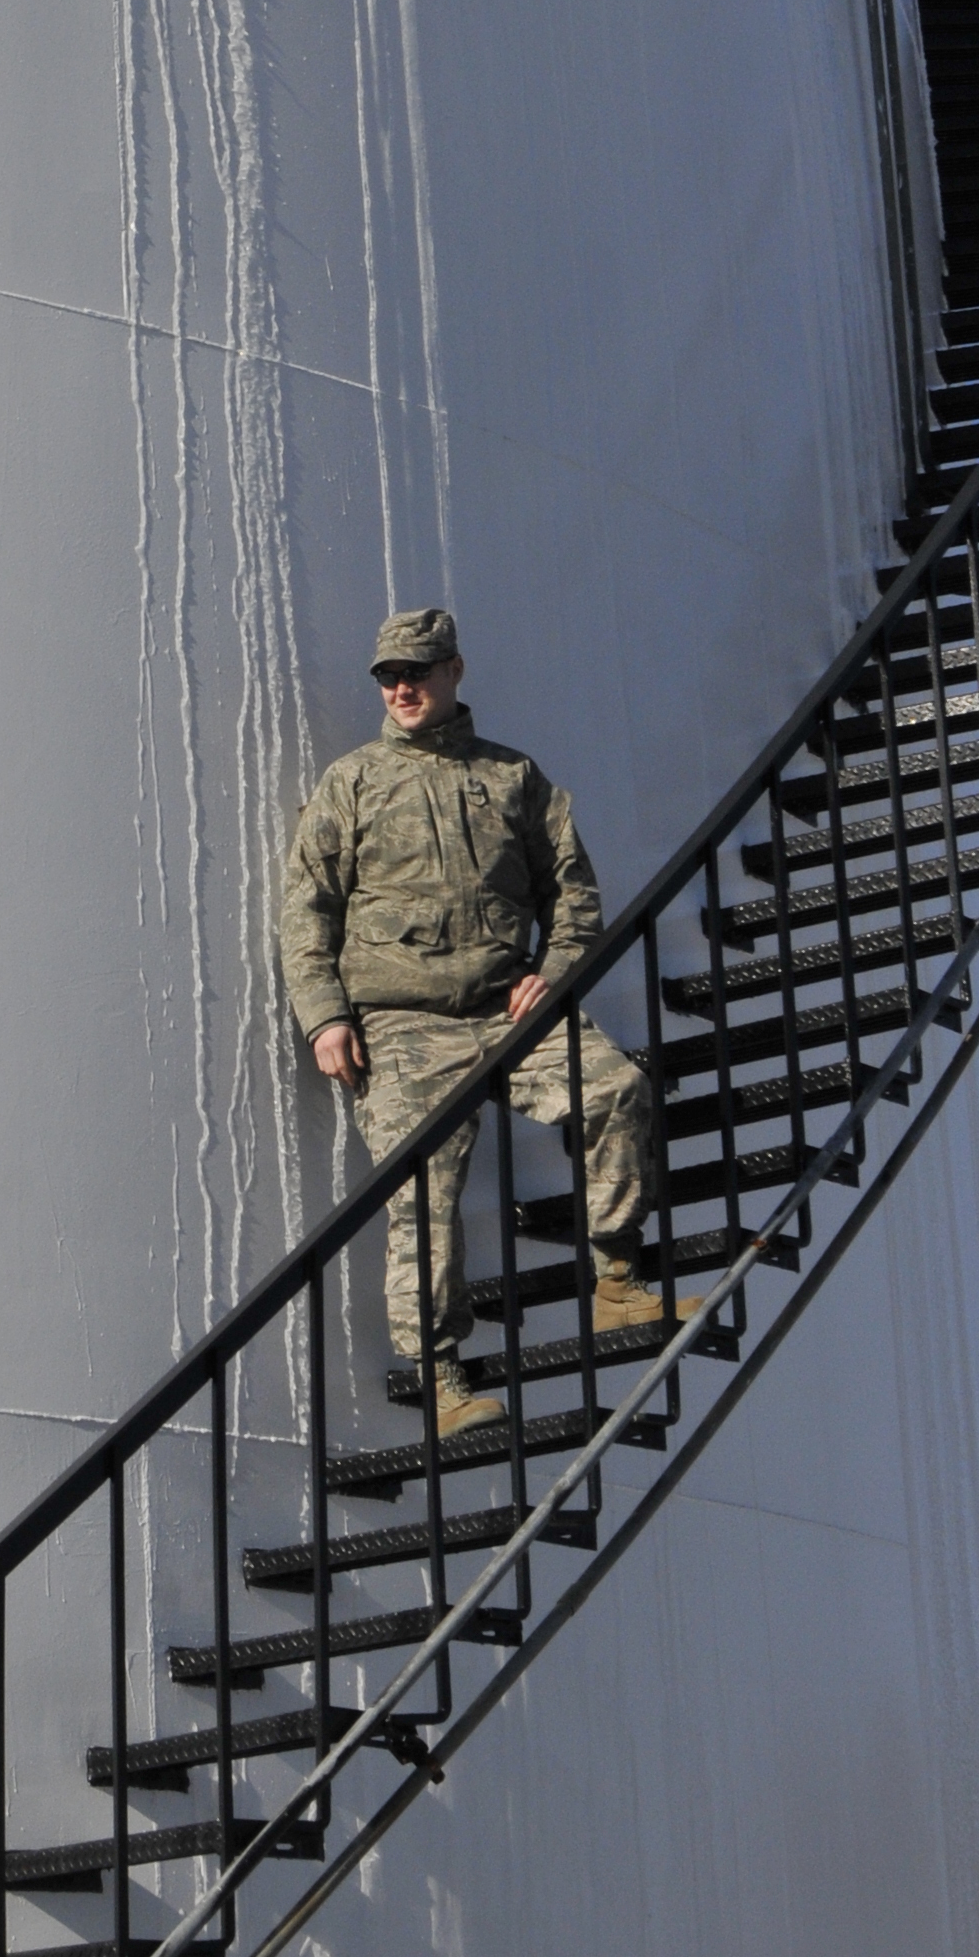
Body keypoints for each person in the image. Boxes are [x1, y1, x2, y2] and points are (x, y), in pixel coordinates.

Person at [281, 605, 673, 1438]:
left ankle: (613, 1276)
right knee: (423, 1190)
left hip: (505, 1010)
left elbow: (573, 891)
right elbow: (306, 909)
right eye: (389, 676)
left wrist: (557, 973)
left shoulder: (513, 778)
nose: (402, 688)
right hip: (398, 1024)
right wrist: (323, 1018)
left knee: (617, 1087)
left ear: (455, 670)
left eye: (417, 671)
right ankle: (439, 1376)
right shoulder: (352, 783)